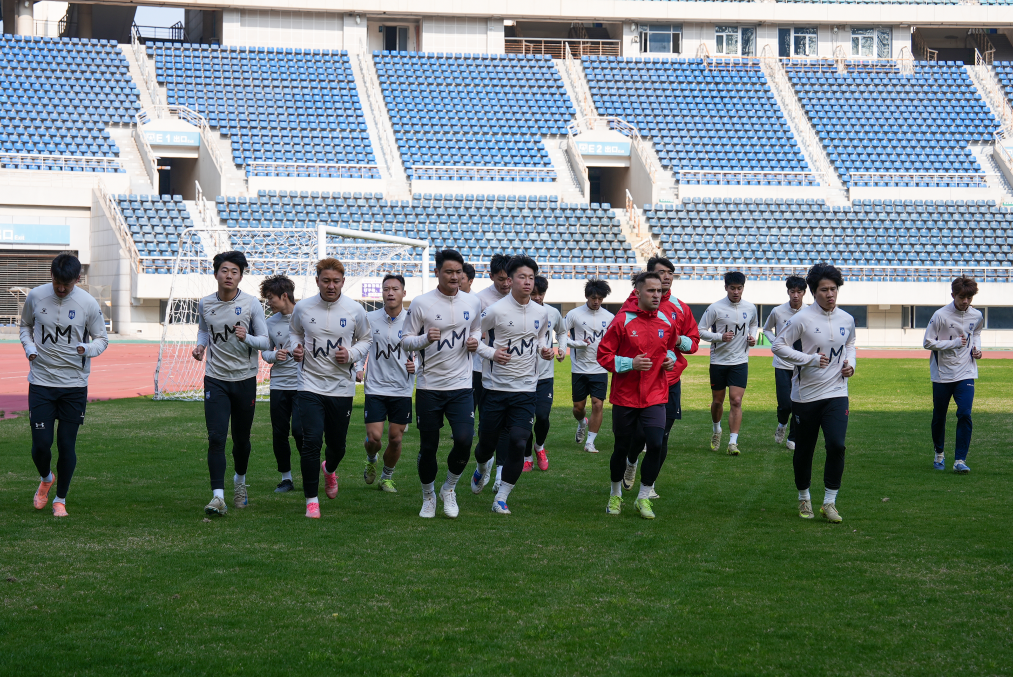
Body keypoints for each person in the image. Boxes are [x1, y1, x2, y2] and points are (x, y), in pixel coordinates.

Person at [19, 253, 108, 517]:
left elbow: (102, 339)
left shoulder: (87, 303)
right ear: (52, 276)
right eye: (57, 282)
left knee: (67, 445)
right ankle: (46, 478)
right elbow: (25, 327)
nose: (60, 289)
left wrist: (87, 349)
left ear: (77, 279)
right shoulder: (36, 296)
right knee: (41, 445)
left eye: (66, 284)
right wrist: (29, 347)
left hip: (74, 385)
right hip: (41, 382)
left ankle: (60, 500)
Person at [400, 249, 482, 519]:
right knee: (428, 447)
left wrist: (475, 340)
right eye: (449, 272)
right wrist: (424, 339)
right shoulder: (421, 303)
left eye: (458, 272)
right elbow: (405, 340)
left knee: (464, 440)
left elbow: (477, 328)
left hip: (461, 385)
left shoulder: (472, 302)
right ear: (437, 272)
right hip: (429, 387)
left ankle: (449, 488)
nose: (454, 277)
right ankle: (428, 496)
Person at [771, 262, 856, 524]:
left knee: (837, 444)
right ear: (814, 292)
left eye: (833, 289)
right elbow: (778, 346)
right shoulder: (802, 319)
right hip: (806, 396)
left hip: (837, 392)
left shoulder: (847, 319)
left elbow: (850, 344)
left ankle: (829, 502)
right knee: (804, 450)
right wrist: (808, 359)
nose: (830, 294)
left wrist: (851, 364)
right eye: (824, 290)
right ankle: (804, 497)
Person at [289, 258, 371, 518]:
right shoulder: (303, 307)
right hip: (309, 385)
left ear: (343, 282)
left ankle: (330, 469)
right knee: (311, 441)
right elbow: (294, 333)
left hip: (341, 388)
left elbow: (366, 339)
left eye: (336, 281)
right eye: (326, 281)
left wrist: (352, 354)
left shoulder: (355, 310)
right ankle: (311, 500)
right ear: (317, 281)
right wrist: (295, 348)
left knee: (338, 447)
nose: (331, 285)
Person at [470, 256, 553, 514]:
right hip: (495, 388)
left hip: (526, 389)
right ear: (510, 279)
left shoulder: (542, 312)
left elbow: (540, 338)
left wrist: (544, 350)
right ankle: (482, 467)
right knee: (486, 445)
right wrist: (492, 354)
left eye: (531, 277)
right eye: (521, 277)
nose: (527, 282)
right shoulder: (496, 310)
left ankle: (501, 497)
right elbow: (472, 337)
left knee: (518, 441)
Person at [192, 251, 269, 516]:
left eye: (234, 272)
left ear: (240, 277)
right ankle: (218, 497)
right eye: (224, 270)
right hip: (215, 379)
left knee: (241, 440)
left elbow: (265, 341)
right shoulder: (205, 304)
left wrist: (247, 337)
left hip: (244, 379)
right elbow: (204, 329)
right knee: (216, 437)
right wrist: (201, 346)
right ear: (216, 274)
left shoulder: (251, 304)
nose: (229, 275)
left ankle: (240, 482)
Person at [597, 272, 677, 520]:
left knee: (655, 444)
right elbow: (603, 355)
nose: (657, 295)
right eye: (651, 290)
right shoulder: (622, 320)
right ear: (638, 292)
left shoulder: (666, 321)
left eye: (659, 291)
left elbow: (671, 349)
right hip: (625, 397)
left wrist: (670, 360)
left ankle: (643, 497)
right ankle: (615, 494)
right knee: (621, 448)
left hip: (655, 395)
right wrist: (630, 363)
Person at [618, 257, 699, 497]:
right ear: (649, 277)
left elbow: (693, 343)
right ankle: (631, 461)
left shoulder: (681, 308)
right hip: (639, 383)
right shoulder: (631, 305)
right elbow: (618, 340)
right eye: (661, 272)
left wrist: (677, 341)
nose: (667, 277)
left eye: (670, 273)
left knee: (661, 437)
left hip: (669, 382)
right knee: (639, 435)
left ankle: (649, 485)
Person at [356, 274, 416, 493]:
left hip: (402, 388)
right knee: (374, 438)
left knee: (395, 438)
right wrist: (358, 367)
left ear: (403, 293)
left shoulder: (412, 320)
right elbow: (362, 345)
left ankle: (386, 478)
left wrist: (417, 366)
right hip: (376, 387)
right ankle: (371, 458)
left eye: (395, 289)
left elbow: (423, 349)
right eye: (386, 289)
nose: (390, 293)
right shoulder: (370, 318)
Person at [923, 276, 984, 474]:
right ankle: (939, 454)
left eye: (969, 298)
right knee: (939, 416)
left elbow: (976, 333)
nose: (965, 301)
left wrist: (977, 349)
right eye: (961, 297)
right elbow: (927, 342)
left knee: (965, 413)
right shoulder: (940, 315)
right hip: (942, 374)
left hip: (966, 371)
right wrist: (954, 344)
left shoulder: (977, 315)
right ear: (953, 295)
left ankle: (960, 460)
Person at [698, 271, 758, 455]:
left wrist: (752, 337)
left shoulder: (750, 308)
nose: (736, 292)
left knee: (736, 401)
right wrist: (720, 337)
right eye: (732, 288)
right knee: (718, 401)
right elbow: (700, 330)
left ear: (743, 288)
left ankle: (733, 443)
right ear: (726, 288)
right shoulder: (715, 308)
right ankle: (717, 430)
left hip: (740, 361)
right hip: (719, 361)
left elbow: (753, 324)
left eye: (739, 288)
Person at [260, 275, 303, 493]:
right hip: (278, 385)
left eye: (271, 298)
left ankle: (310, 474)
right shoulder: (270, 323)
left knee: (300, 432)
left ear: (284, 296)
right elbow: (265, 352)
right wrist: (274, 356)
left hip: (303, 384)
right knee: (279, 433)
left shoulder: (306, 317)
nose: (269, 302)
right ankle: (286, 478)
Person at [563, 278, 614, 453]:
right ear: (587, 296)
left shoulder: (609, 318)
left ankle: (590, 442)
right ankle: (581, 422)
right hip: (579, 368)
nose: (596, 301)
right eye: (593, 298)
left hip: (600, 368)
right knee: (578, 408)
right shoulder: (574, 314)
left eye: (600, 298)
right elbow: (560, 335)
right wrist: (577, 344)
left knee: (598, 404)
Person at [524, 275, 565, 472]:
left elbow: (562, 332)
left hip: (545, 376)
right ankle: (526, 456)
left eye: (541, 294)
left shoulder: (553, 313)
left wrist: (561, 348)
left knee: (542, 416)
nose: (537, 297)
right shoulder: (520, 313)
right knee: (525, 419)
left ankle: (539, 447)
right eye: (534, 293)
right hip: (522, 376)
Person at [763, 275, 807, 452]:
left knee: (798, 403)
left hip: (802, 365)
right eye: (792, 291)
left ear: (804, 293)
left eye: (799, 292)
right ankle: (782, 424)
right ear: (788, 292)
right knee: (785, 404)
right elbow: (767, 329)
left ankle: (792, 438)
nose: (795, 295)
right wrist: (775, 342)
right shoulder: (778, 311)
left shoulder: (810, 312)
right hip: (782, 364)